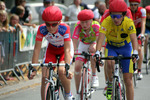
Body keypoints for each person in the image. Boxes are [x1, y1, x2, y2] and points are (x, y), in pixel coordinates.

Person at [28, 6, 74, 100]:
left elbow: (67, 50)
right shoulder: (42, 29)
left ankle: (68, 93)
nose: (50, 27)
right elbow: (37, 49)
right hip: (52, 49)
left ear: (59, 22)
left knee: (61, 71)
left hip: (64, 49)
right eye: (48, 24)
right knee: (45, 75)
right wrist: (34, 68)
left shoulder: (65, 28)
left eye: (54, 24)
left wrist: (67, 67)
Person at [95, 0, 138, 100]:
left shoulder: (128, 22)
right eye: (113, 15)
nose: (115, 19)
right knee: (109, 62)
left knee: (128, 80)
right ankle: (110, 83)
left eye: (118, 16)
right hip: (112, 47)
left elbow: (133, 39)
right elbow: (100, 39)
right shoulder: (107, 21)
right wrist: (97, 52)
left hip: (125, 48)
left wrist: (135, 52)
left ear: (123, 15)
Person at [72, 9, 100, 99]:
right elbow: (74, 41)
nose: (84, 25)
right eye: (82, 22)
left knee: (92, 51)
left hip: (93, 43)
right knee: (77, 67)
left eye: (86, 22)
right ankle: (78, 92)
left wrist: (96, 48)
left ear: (91, 20)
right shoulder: (78, 26)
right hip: (83, 44)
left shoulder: (96, 26)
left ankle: (94, 76)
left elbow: (99, 40)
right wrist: (74, 51)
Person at [129, 0, 146, 80]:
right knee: (130, 50)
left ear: (138, 5)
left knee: (139, 49)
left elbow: (143, 23)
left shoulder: (142, 11)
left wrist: (142, 34)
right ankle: (132, 67)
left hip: (138, 29)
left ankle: (139, 70)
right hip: (130, 30)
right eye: (131, 5)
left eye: (135, 5)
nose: (133, 6)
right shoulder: (127, 11)